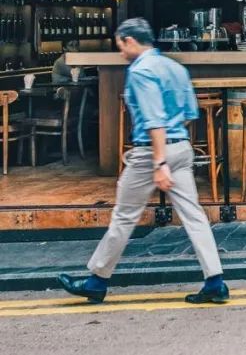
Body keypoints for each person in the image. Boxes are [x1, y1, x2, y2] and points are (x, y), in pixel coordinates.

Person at [58, 18, 228, 305]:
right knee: (194, 216)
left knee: (124, 216)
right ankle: (215, 281)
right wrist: (173, 149)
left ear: (131, 41)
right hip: (181, 148)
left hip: (151, 154)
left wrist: (160, 162)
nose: (121, 52)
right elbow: (189, 112)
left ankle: (96, 281)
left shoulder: (141, 71)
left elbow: (153, 120)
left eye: (121, 45)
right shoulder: (175, 67)